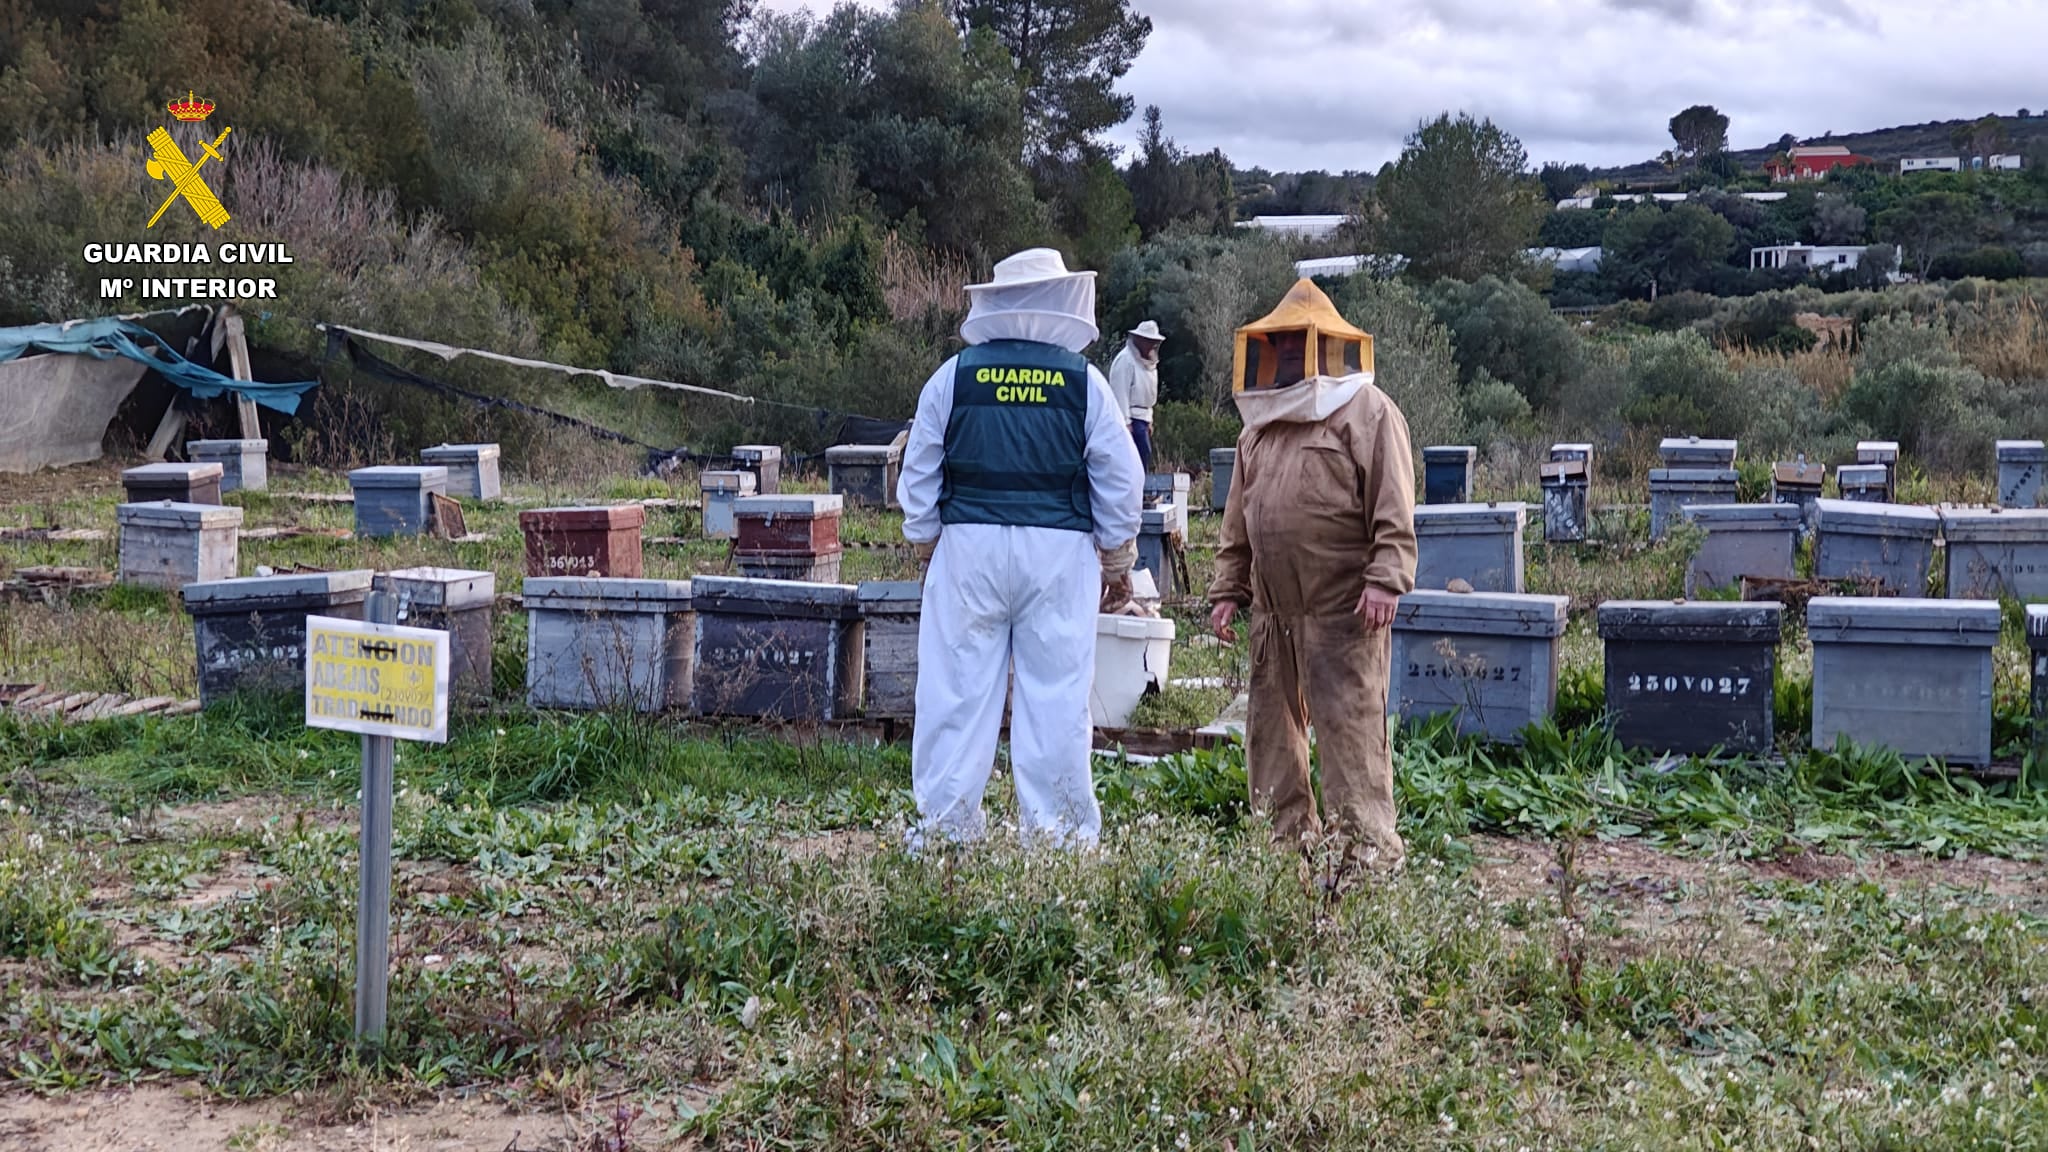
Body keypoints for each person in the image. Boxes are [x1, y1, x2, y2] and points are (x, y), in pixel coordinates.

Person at [898, 248, 1145, 850]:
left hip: (968, 551)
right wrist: (1117, 558)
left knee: (955, 694)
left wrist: (926, 539)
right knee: (1056, 698)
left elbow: (919, 469)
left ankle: (944, 838)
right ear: (1060, 303)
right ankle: (1060, 841)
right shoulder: (1082, 382)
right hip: (1059, 555)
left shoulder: (952, 376)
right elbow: (1122, 477)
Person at [1206, 278, 1418, 882]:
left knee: (1351, 737)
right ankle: (1285, 858)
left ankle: (1369, 860)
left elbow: (1394, 506)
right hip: (1274, 616)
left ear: (1329, 346)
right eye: (1284, 345)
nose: (1294, 357)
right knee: (1271, 740)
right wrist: (1228, 589)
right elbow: (1238, 522)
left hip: (1343, 612)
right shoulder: (1260, 426)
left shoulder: (1370, 413)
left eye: (1302, 345)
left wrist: (1386, 577)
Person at [1107, 320, 1164, 470]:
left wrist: (1149, 419)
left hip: (1143, 419)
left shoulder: (1150, 363)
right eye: (1149, 341)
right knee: (1136, 460)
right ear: (1139, 339)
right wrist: (1126, 423)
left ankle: (1140, 491)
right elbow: (1120, 393)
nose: (1152, 345)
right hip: (1131, 420)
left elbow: (1149, 395)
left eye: (1154, 342)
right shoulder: (1125, 360)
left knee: (1143, 457)